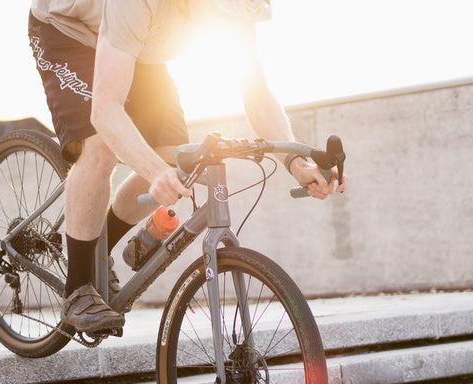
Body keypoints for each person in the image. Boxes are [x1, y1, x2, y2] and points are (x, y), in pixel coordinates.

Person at [28, 0, 347, 333]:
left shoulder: (235, 12)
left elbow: (258, 96)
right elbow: (105, 110)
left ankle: (100, 251)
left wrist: (296, 162)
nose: (231, 24)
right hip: (67, 29)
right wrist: (153, 172)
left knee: (177, 159)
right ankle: (78, 288)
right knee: (100, 147)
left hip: (138, 46)